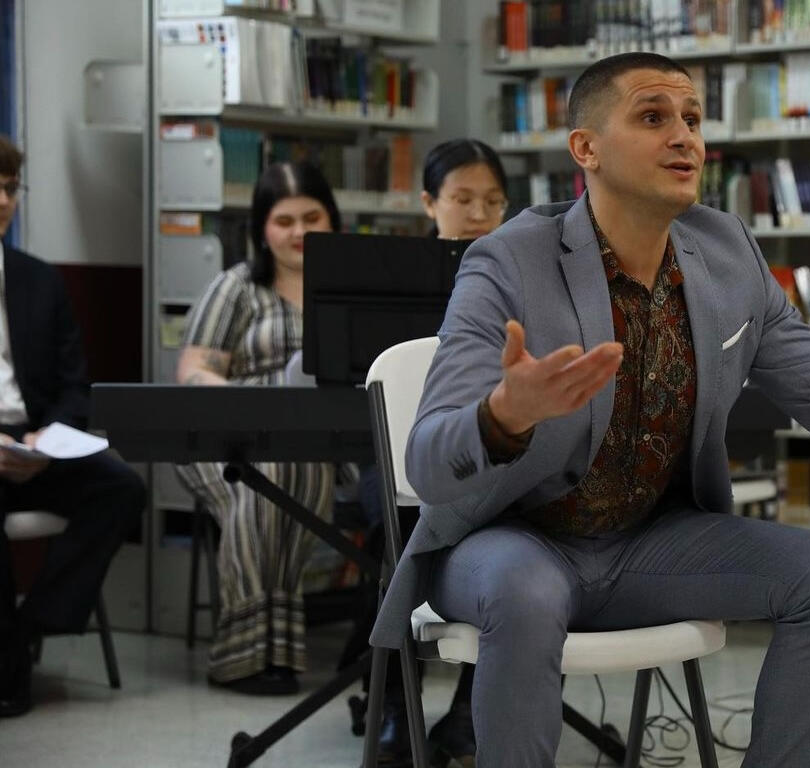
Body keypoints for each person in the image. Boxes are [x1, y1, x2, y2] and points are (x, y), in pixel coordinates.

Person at [367, 53, 810, 768]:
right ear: (585, 149)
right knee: (524, 593)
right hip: (510, 540)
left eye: (692, 119)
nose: (684, 136)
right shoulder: (507, 260)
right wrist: (502, 417)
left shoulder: (728, 252)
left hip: (649, 546)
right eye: (653, 117)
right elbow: (430, 462)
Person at [356, 138, 509, 768]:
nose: (479, 214)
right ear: (429, 203)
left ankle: (475, 715)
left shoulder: (514, 271)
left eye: (494, 201)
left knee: (510, 534)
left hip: (483, 458)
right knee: (392, 532)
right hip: (393, 459)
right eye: (463, 199)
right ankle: (395, 707)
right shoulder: (390, 279)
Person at [175, 161, 343, 695]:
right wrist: (242, 405)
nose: (299, 232)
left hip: (315, 442)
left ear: (332, 221)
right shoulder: (237, 288)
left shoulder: (344, 289)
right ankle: (244, 653)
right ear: (262, 230)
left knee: (294, 469)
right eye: (284, 220)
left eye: (312, 217)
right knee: (259, 478)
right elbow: (193, 370)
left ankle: (270, 650)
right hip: (225, 436)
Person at [0, 135, 146, 717]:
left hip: (33, 444)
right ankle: (8, 670)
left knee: (121, 488)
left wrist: (46, 437)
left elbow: (71, 384)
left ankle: (34, 623)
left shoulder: (39, 280)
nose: (3, 200)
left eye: (10, 188)